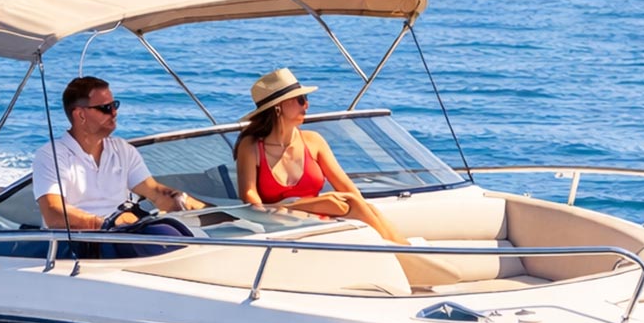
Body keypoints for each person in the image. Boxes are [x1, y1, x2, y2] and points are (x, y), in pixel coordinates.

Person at [234, 67, 405, 243]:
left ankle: (402, 250)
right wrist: (287, 207)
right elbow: (250, 199)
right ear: (279, 107)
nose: (307, 105)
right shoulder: (251, 146)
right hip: (283, 222)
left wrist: (339, 202)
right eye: (301, 100)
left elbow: (348, 188)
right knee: (342, 203)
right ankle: (402, 252)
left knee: (356, 203)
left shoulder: (313, 141)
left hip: (322, 220)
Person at [34, 76, 204, 229]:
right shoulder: (51, 156)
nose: (114, 113)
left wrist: (209, 212)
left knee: (175, 231)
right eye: (105, 108)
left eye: (114, 105)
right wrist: (108, 224)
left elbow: (156, 193)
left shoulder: (123, 150)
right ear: (81, 115)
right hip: (78, 246)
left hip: (122, 236)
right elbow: (54, 214)